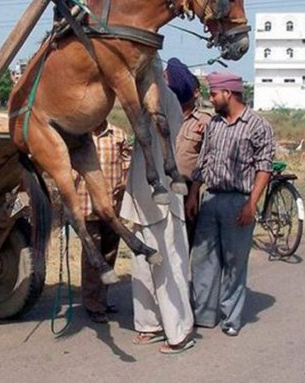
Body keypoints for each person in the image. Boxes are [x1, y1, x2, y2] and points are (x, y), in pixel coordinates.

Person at [186, 71, 275, 337]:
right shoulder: (214, 124)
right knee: (203, 260)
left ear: (229, 93)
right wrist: (194, 194)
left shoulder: (258, 125)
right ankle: (204, 314)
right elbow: (204, 161)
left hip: (239, 201)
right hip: (211, 198)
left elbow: (264, 168)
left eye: (214, 94)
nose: (211, 99)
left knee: (235, 262)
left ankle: (231, 317)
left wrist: (252, 204)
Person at [120, 59, 195, 355]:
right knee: (141, 266)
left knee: (169, 266)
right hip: (142, 198)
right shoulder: (149, 104)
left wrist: (144, 51)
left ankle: (179, 332)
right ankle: (149, 324)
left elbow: (150, 65)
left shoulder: (167, 98)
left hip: (162, 200)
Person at [74, 120, 132, 324]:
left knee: (109, 254)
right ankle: (93, 304)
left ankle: (101, 299)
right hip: (86, 205)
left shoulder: (118, 135)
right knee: (93, 259)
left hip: (111, 208)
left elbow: (127, 161)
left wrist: (126, 180)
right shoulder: (77, 134)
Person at [164, 57, 212, 244]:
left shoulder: (205, 122)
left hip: (186, 191)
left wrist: (193, 195)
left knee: (184, 243)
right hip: (163, 187)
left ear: (196, 93)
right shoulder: (165, 117)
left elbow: (205, 162)